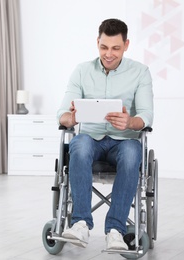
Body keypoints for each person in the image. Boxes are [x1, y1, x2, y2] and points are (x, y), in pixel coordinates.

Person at [57, 18, 154, 250]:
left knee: (132, 153)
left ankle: (115, 229)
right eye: (104, 47)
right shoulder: (82, 71)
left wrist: (130, 121)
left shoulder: (140, 72)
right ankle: (80, 223)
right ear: (97, 42)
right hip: (91, 141)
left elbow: (146, 116)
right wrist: (71, 117)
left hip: (124, 142)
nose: (108, 54)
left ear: (126, 45)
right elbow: (62, 115)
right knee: (78, 144)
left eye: (115, 48)